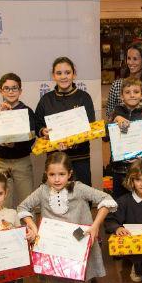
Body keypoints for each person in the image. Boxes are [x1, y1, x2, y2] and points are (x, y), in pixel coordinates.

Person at [17, 152, 117, 283]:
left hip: (78, 243)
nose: (57, 179)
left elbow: (107, 199)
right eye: (52, 175)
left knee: (80, 279)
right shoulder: (42, 191)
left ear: (69, 174)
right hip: (53, 247)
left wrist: (95, 226)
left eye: (61, 174)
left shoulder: (79, 189)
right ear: (46, 173)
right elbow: (22, 207)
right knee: (55, 280)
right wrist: (34, 228)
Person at [35, 57, 96, 187]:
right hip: (54, 160)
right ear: (53, 76)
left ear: (74, 74)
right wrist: (43, 131)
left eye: (67, 72)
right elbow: (37, 125)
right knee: (55, 201)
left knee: (82, 199)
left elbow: (90, 126)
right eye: (59, 73)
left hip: (80, 158)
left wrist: (71, 142)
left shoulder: (84, 98)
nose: (63, 77)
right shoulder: (46, 99)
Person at [0, 72, 36, 208]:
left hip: (21, 161)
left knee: (27, 201)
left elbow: (31, 138)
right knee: (3, 202)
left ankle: (30, 229)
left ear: (20, 91)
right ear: (1, 91)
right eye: (7, 88)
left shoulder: (27, 111)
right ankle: (8, 229)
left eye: (14, 88)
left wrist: (14, 145)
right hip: (1, 162)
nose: (11, 92)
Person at [108, 77, 142, 199]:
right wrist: (115, 120)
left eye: (136, 92)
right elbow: (106, 137)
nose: (132, 95)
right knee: (119, 203)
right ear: (121, 96)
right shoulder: (116, 112)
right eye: (127, 92)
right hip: (120, 169)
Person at [105, 41, 142, 119]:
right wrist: (117, 117)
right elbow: (109, 112)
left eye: (135, 59)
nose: (130, 62)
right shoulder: (117, 84)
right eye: (128, 58)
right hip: (122, 129)